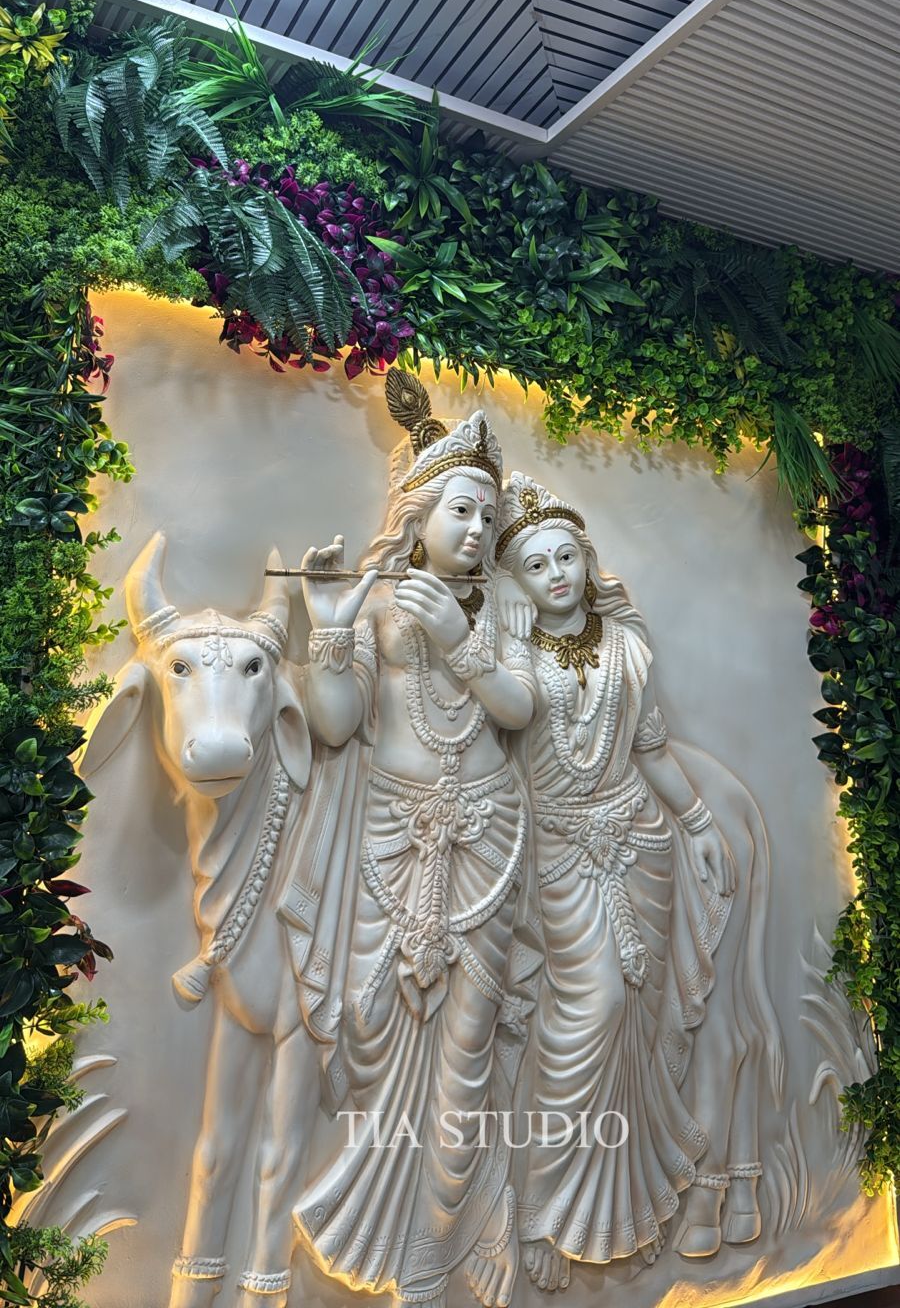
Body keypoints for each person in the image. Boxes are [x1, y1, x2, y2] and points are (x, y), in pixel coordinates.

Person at [289, 374, 541, 1308]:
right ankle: (381, 1222)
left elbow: (519, 707)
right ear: (419, 514)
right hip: (392, 835)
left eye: (489, 516)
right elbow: (334, 722)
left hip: (487, 839)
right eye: (461, 510)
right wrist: (328, 632)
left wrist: (464, 645)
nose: (477, 530)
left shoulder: (505, 606)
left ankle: (435, 1252)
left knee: (466, 1056)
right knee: (369, 1028)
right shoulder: (378, 598)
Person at [495, 473, 736, 1290]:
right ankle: (544, 1210)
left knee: (638, 1018)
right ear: (517, 581)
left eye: (566, 556)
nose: (557, 574)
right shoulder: (513, 656)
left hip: (641, 844)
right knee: (586, 1017)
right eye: (536, 565)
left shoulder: (628, 646)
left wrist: (697, 825)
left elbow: (651, 748)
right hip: (559, 855)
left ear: (587, 559)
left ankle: (624, 1209)